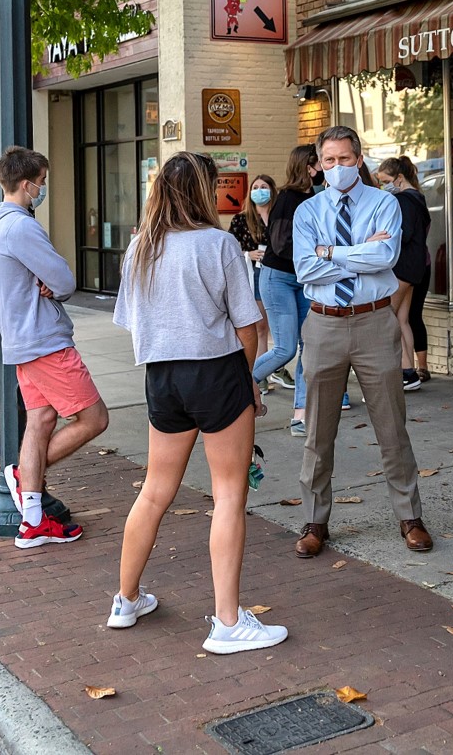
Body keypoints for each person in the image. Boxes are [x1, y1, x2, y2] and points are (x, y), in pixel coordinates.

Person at [110, 153, 287, 654]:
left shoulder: (139, 248)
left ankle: (125, 599)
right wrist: (249, 381)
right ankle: (228, 623)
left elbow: (130, 320)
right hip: (216, 372)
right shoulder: (219, 244)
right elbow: (247, 324)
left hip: (162, 378)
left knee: (154, 490)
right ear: (202, 192)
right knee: (229, 494)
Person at [291, 126, 432, 558]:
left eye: (345, 159)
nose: (337, 168)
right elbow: (304, 270)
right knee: (318, 431)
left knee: (392, 426)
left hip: (374, 323)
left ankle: (410, 517)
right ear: (318, 164)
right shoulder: (307, 212)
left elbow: (385, 257)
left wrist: (329, 252)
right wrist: (355, 256)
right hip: (324, 325)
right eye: (328, 161)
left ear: (359, 158)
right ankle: (316, 522)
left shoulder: (384, 202)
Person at [0, 146, 110, 549]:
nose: (43, 189)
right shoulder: (21, 227)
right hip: (44, 341)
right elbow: (65, 280)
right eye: (43, 183)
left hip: (22, 339)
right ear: (26, 183)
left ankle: (32, 521)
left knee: (41, 421)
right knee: (94, 419)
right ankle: (21, 475)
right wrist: (54, 283)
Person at [252, 146, 317, 437]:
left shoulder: (315, 197)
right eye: (320, 163)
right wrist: (320, 253)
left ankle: (300, 415)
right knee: (285, 348)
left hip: (304, 280)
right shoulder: (288, 198)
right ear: (306, 166)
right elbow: (280, 245)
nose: (324, 169)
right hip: (278, 277)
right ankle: (238, 386)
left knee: (310, 347)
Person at [375, 156, 432, 391]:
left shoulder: (403, 201)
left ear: (399, 178)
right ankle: (411, 375)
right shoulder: (418, 198)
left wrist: (380, 235)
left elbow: (403, 233)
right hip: (415, 268)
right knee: (402, 320)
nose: (383, 186)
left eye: (386, 181)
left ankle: (406, 372)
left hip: (402, 267)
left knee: (387, 320)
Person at [229, 174, 275, 361]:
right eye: (255, 188)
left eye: (264, 187)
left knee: (279, 327)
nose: (259, 191)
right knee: (260, 326)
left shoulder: (278, 216)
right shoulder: (241, 220)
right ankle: (260, 371)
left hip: (279, 272)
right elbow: (231, 250)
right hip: (254, 273)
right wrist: (249, 254)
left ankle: (276, 367)